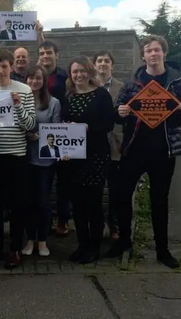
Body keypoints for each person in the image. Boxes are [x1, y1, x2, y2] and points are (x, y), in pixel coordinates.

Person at [106, 35, 181, 269]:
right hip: (134, 150)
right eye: (148, 50)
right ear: (143, 55)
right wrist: (120, 111)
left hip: (163, 152)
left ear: (164, 54)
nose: (153, 54)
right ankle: (124, 241)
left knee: (159, 201)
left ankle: (162, 249)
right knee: (122, 197)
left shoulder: (177, 83)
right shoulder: (132, 84)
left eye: (157, 50)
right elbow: (114, 116)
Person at [0, 49, 36, 269]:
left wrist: (18, 105)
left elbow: (30, 125)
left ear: (11, 67)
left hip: (16, 156)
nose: (0, 71)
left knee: (17, 205)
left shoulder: (24, 90)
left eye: (4, 66)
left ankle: (15, 249)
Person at [61, 56, 114, 264]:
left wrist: (88, 128)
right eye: (75, 72)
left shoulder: (101, 95)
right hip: (73, 158)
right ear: (70, 75)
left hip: (95, 156)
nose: (78, 75)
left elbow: (109, 123)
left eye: (82, 71)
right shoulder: (69, 95)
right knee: (78, 204)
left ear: (89, 72)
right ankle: (82, 244)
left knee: (93, 204)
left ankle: (94, 246)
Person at [23, 64, 61, 257]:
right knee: (28, 202)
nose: (34, 81)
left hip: (45, 162)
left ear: (44, 81)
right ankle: (30, 240)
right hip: (25, 159)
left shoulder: (53, 103)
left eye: (38, 78)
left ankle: (43, 241)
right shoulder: (20, 101)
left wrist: (39, 136)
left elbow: (57, 131)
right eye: (30, 78)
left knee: (43, 203)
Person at [38, 39, 72, 236]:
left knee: (64, 181)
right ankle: (45, 221)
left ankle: (63, 219)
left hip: (63, 133)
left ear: (56, 55)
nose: (45, 56)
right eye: (42, 53)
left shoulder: (65, 77)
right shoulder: (35, 75)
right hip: (41, 134)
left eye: (49, 52)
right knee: (44, 181)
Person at [93, 50, 124, 239]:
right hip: (94, 144)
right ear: (95, 65)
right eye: (99, 61)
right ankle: (97, 223)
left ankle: (114, 225)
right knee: (95, 188)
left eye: (106, 61)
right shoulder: (89, 86)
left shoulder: (122, 87)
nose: (103, 64)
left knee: (115, 187)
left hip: (114, 144)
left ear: (112, 65)